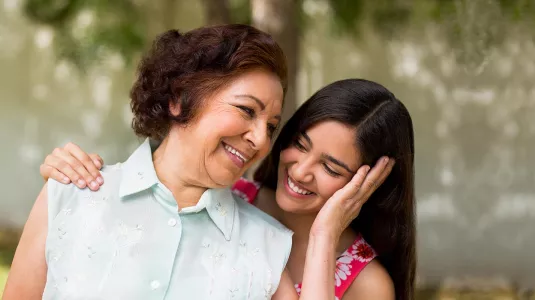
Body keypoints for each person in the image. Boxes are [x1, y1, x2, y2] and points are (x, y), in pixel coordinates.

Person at [4, 24, 389, 300]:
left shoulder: (268, 245)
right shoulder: (69, 193)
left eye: (271, 127)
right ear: (179, 100)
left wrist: (324, 236)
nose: (259, 140)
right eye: (245, 110)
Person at [37, 79, 415, 299]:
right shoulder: (226, 197)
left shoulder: (368, 285)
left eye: (331, 167)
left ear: (370, 184)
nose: (300, 170)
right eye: (299, 144)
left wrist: (323, 237)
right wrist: (72, 180)